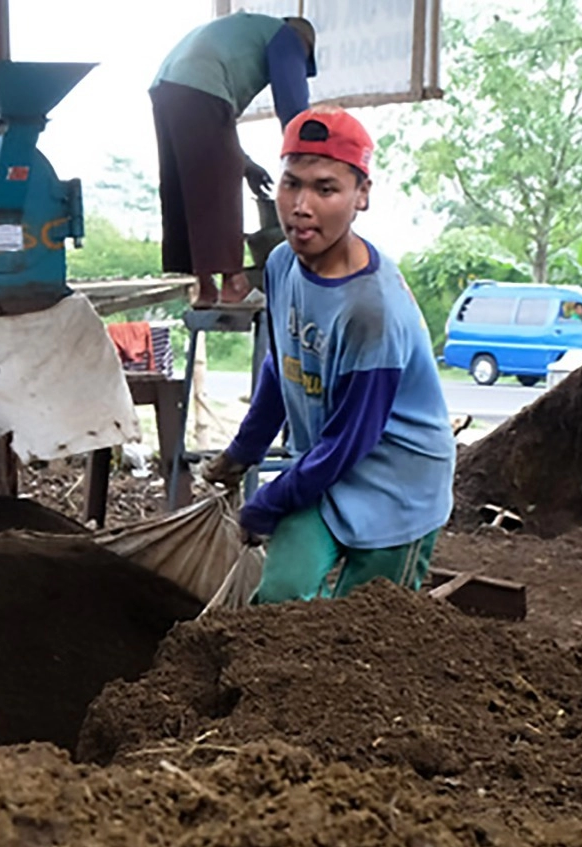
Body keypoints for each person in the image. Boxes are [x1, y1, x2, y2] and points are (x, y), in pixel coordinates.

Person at [200, 107, 457, 604]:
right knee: (281, 599)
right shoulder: (281, 265)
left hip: (396, 488)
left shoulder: (370, 311)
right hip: (321, 473)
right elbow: (284, 366)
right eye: (291, 184)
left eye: (325, 189)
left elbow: (349, 440)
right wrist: (242, 453)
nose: (300, 206)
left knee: (365, 630)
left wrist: (267, 502)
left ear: (361, 196)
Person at [150, 12, 317, 309]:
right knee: (222, 183)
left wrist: (246, 164)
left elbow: (211, 143)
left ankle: (204, 287)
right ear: (305, 44)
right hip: (201, 83)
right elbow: (293, 107)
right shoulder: (289, 36)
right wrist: (306, 163)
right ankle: (234, 281)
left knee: (185, 180)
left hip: (166, 84)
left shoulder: (246, 32)